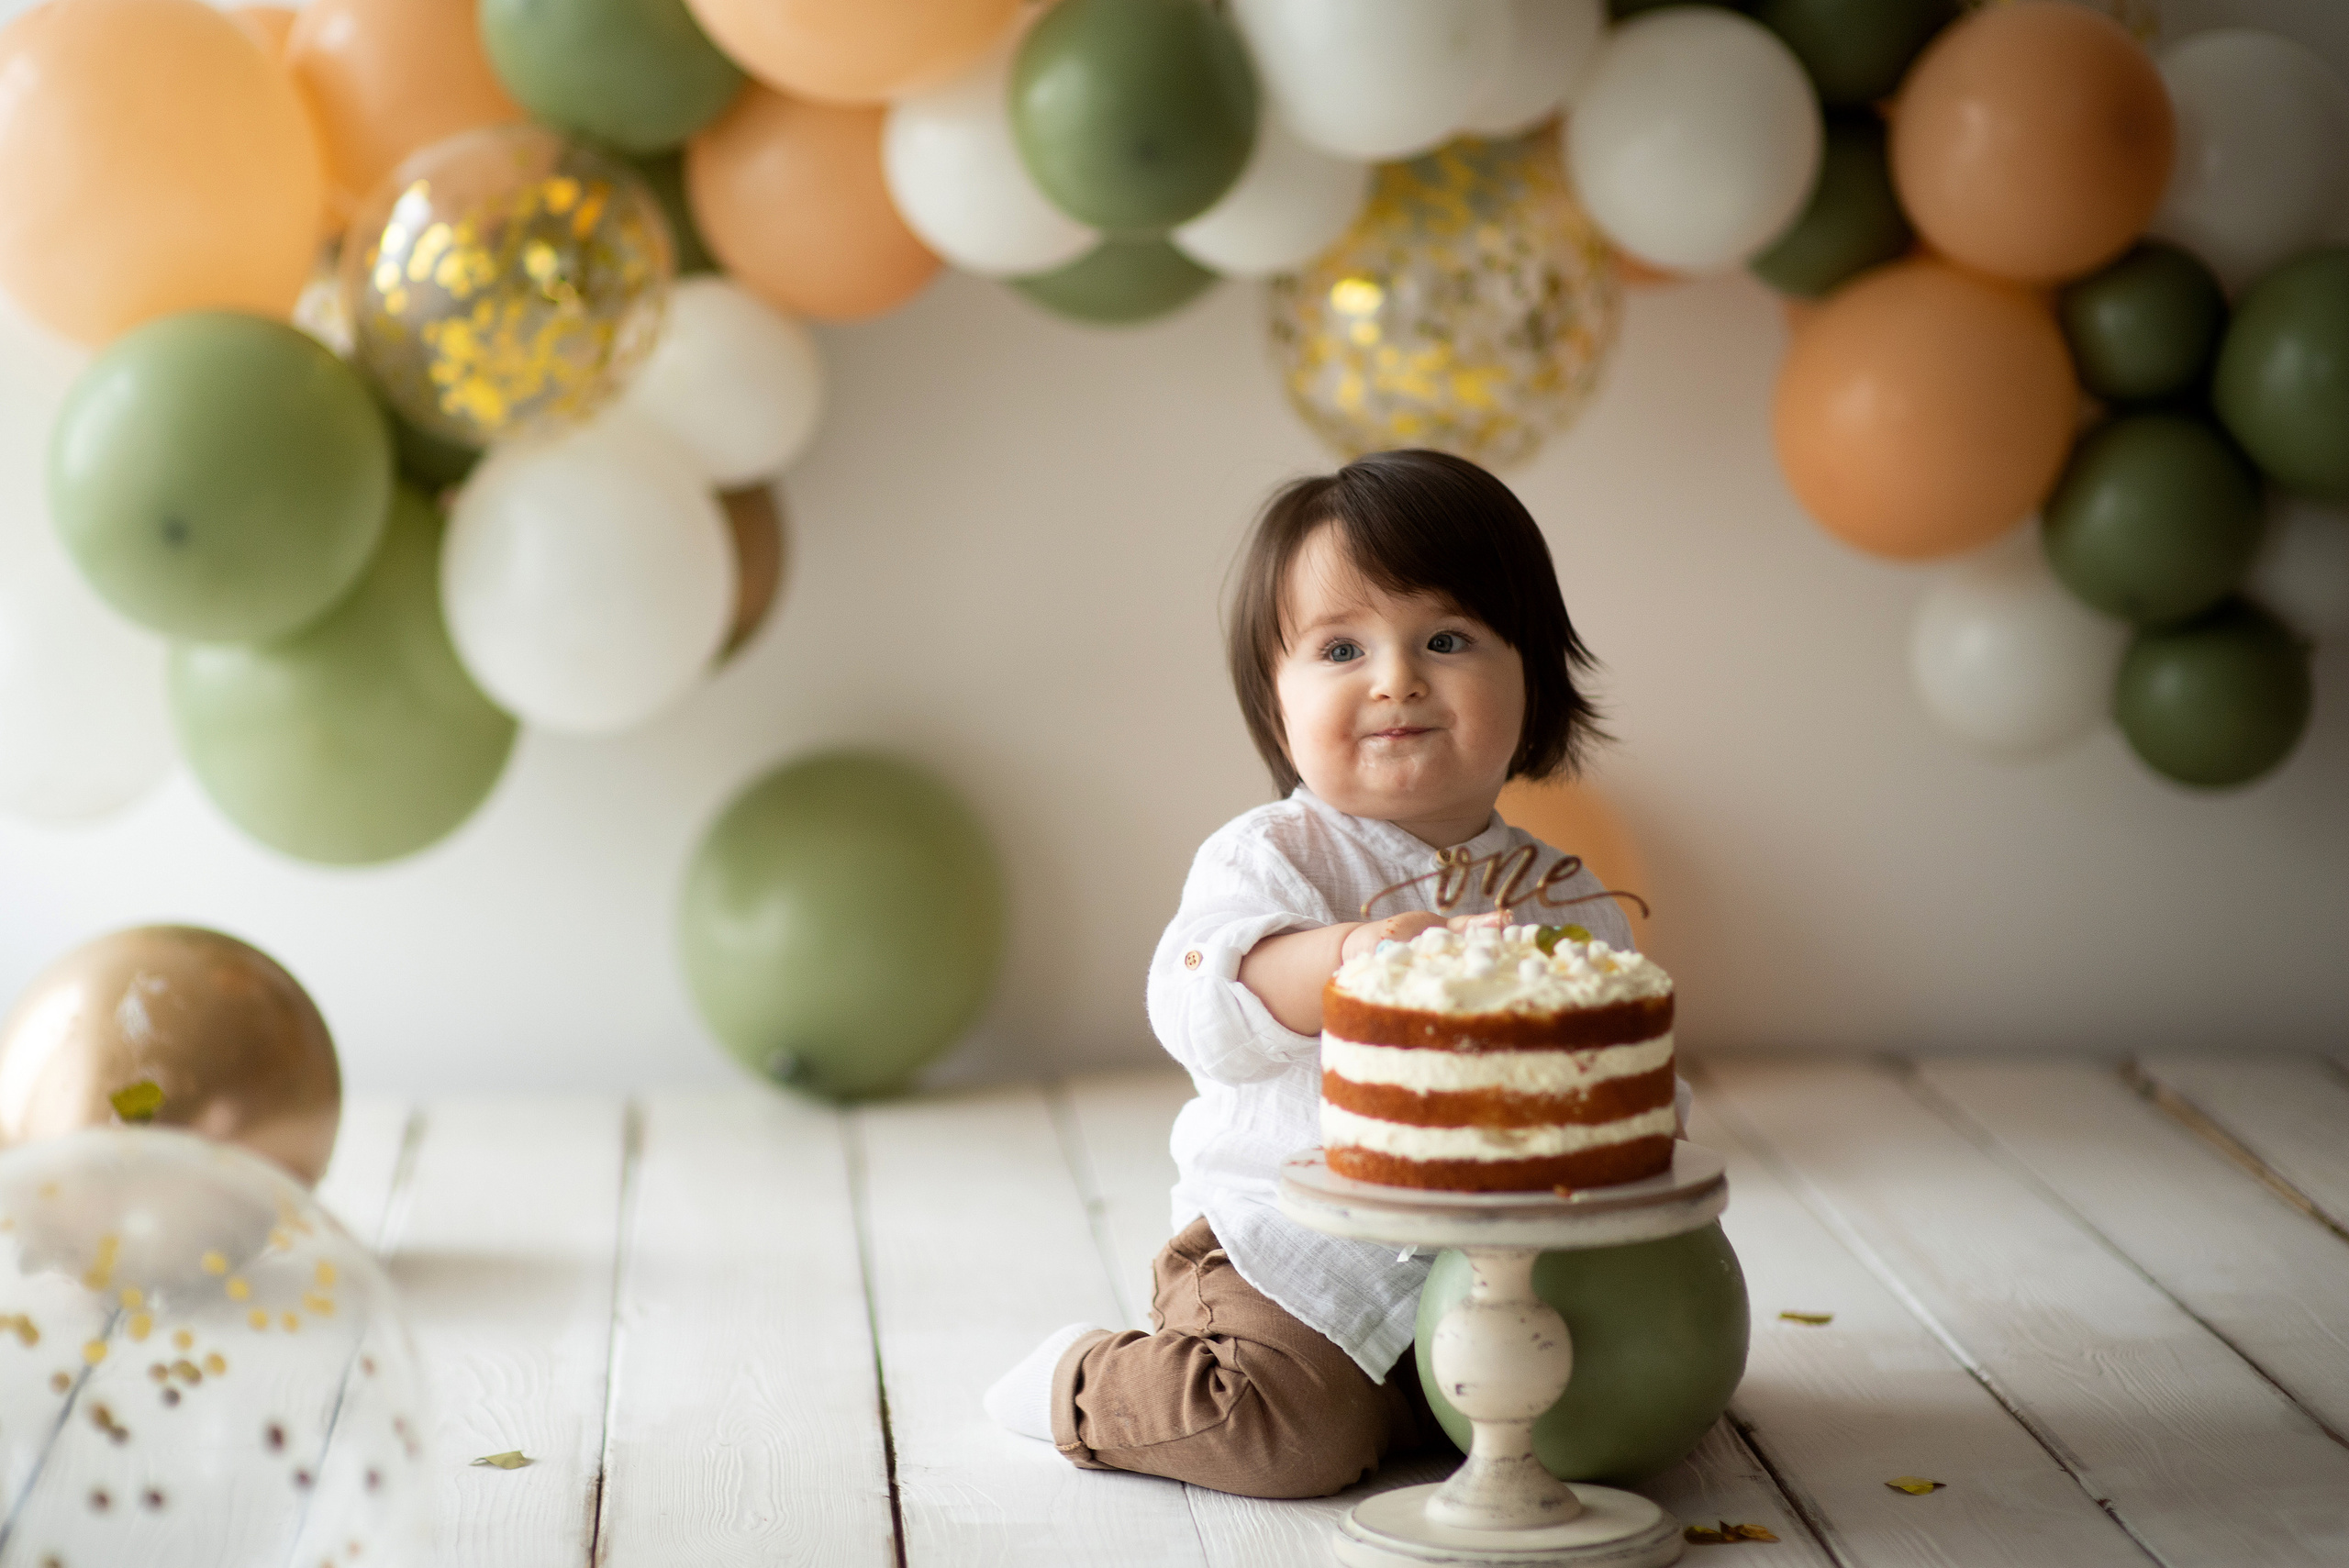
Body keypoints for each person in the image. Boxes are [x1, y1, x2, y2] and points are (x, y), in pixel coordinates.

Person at [983, 449, 1687, 1498]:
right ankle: (1085, 1382)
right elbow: (1198, 997)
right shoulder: (1273, 858)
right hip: (1292, 1255)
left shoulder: (1566, 898)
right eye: (1342, 647)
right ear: (1275, 704)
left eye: (1446, 638)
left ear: (1533, 676)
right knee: (1283, 1431)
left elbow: (1624, 1088)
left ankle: (1412, 1409)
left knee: (1624, 1409)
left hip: (1501, 1270)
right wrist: (1341, 957)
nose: (1396, 677)